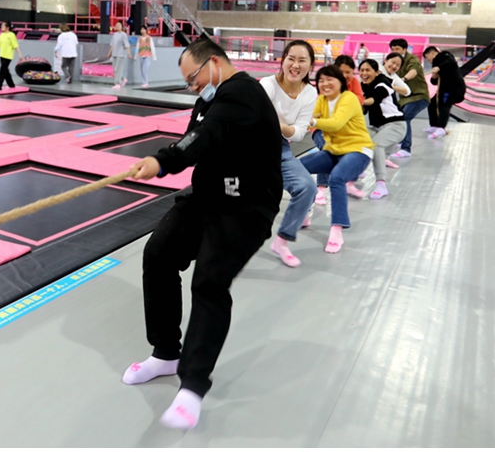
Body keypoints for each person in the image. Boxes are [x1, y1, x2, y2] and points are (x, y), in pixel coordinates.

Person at [122, 38, 282, 431]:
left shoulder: (243, 93)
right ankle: (166, 352)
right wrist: (168, 158)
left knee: (210, 281)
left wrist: (162, 160)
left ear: (213, 63)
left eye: (193, 78)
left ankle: (192, 386)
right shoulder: (207, 100)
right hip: (207, 198)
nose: (193, 86)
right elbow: (197, 141)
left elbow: (203, 137)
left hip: (246, 207)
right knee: (158, 254)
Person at [258, 40, 318, 267]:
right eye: (291, 59)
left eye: (302, 60)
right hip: (250, 144)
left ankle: (282, 240)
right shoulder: (268, 85)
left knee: (307, 187)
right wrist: (284, 127)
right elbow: (257, 118)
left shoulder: (310, 93)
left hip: (278, 147)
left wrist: (276, 124)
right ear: (283, 61)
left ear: (310, 65)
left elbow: (300, 134)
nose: (295, 65)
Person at [301, 66, 374, 254]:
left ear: (341, 82)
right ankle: (303, 212)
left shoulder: (348, 98)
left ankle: (337, 230)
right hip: (334, 151)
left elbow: (336, 123)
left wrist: (312, 122)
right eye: (321, 80)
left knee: (337, 178)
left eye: (329, 79)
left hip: (358, 150)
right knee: (298, 169)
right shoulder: (322, 100)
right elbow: (308, 117)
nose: (325, 84)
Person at [356, 59, 407, 199]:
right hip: (377, 127)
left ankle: (381, 184)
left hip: (396, 125)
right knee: (356, 140)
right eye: (362, 70)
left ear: (377, 72)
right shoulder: (364, 86)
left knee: (376, 145)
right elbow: (364, 109)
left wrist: (357, 101)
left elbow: (374, 99)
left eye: (368, 70)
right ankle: (358, 169)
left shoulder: (383, 83)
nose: (364, 73)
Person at [390, 38, 428, 158]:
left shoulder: (412, 59)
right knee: (397, 118)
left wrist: (403, 79)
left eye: (397, 49)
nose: (395, 51)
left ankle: (406, 148)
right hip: (405, 99)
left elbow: (413, 71)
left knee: (404, 118)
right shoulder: (394, 62)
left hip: (418, 96)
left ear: (405, 49)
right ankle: (401, 141)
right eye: (393, 49)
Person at [425, 50, 465, 140]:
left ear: (432, 53)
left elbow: (450, 62)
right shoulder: (436, 64)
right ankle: (434, 125)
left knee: (444, 105)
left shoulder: (445, 56)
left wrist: (439, 68)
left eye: (427, 58)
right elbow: (434, 82)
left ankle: (441, 127)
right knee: (432, 104)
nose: (428, 60)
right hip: (443, 89)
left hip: (453, 88)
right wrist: (434, 77)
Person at [107, 21, 131, 89]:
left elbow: (127, 45)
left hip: (120, 54)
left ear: (121, 26)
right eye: (116, 25)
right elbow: (112, 45)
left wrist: (129, 53)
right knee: (115, 69)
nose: (117, 26)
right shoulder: (114, 35)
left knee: (118, 69)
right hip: (114, 54)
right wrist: (109, 53)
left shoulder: (123, 35)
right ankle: (123, 79)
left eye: (119, 25)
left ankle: (118, 83)